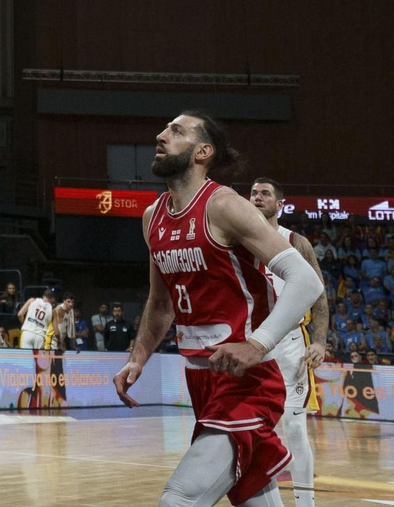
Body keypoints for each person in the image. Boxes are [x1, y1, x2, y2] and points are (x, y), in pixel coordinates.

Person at [112, 113, 323, 507]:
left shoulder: (225, 205)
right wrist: (137, 358)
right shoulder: (152, 217)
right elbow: (161, 304)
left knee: (178, 499)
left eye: (176, 131)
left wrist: (257, 345)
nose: (160, 135)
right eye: (164, 129)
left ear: (203, 152)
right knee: (254, 497)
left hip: (247, 380)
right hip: (201, 380)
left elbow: (307, 281)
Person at [249, 177, 330, 507]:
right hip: (251, 342)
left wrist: (321, 342)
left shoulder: (296, 242)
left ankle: (305, 503)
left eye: (265, 193)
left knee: (295, 426)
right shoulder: (235, 240)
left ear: (279, 204)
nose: (257, 197)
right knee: (253, 426)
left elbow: (320, 298)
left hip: (290, 343)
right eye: (253, 193)